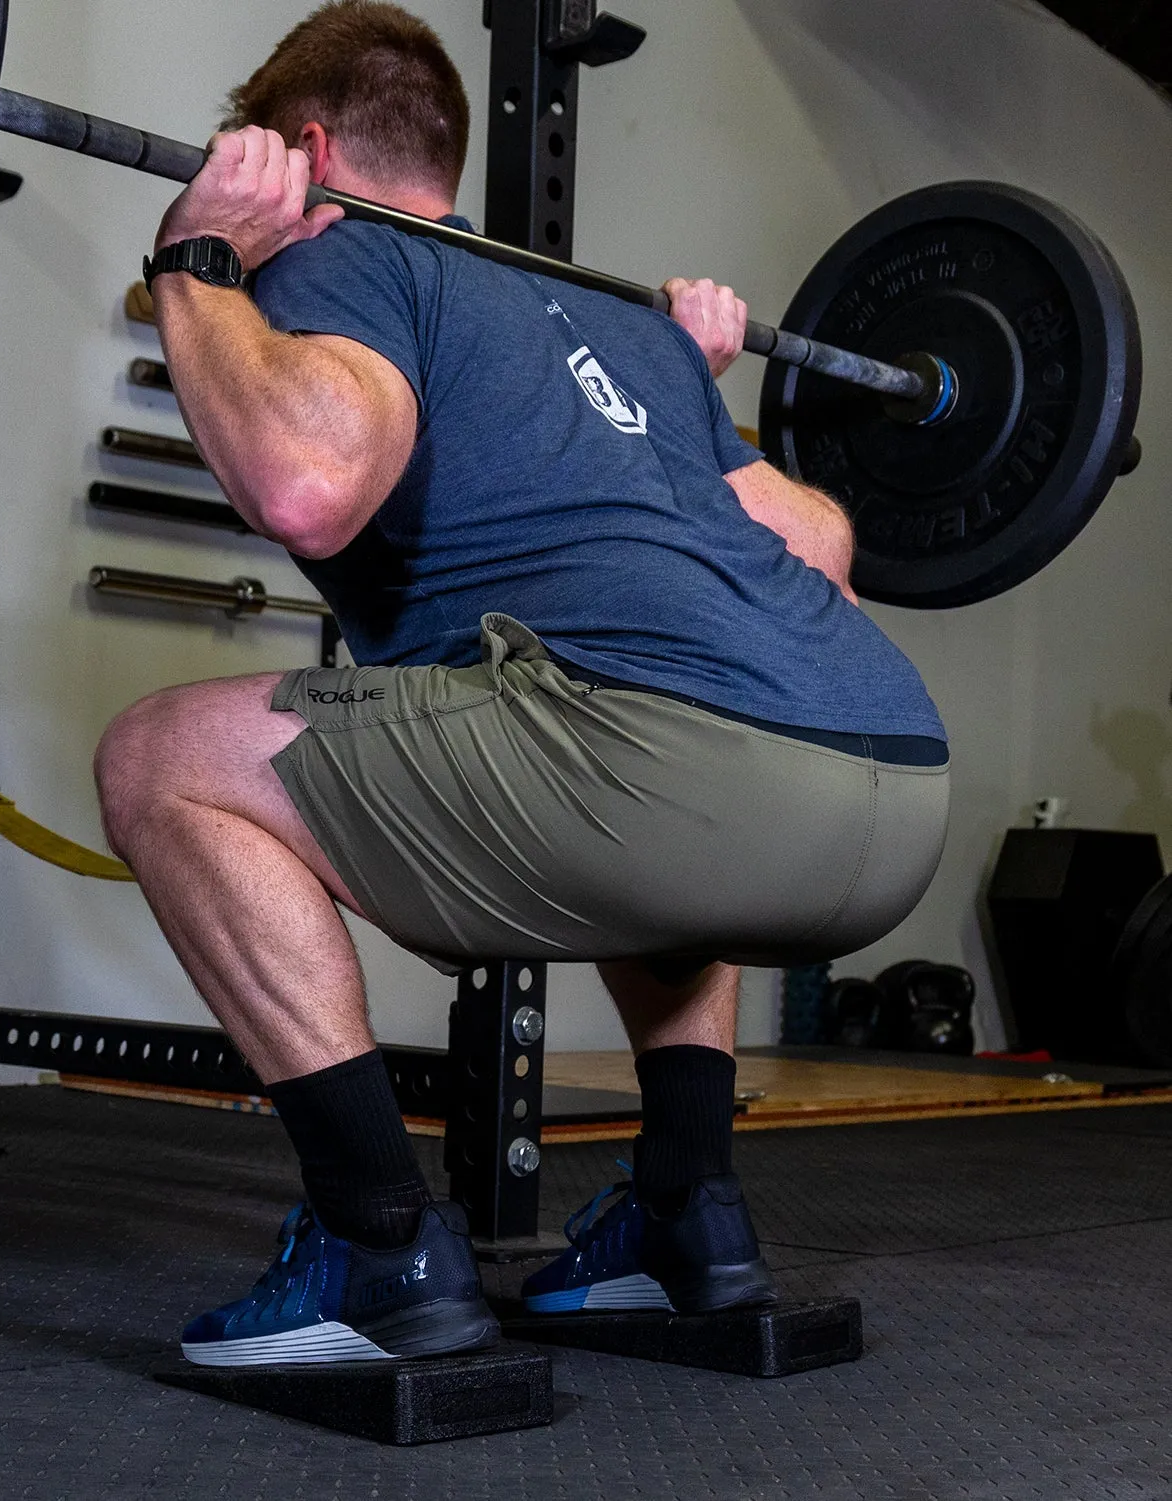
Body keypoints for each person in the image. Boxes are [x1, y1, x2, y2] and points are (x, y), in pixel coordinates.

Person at [93, 0, 950, 1368]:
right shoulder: (616, 330)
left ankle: (376, 1244)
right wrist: (689, 394)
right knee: (641, 740)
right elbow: (822, 546)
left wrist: (199, 254)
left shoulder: (341, 253)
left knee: (156, 758)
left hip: (688, 774)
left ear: (303, 151)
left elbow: (306, 487)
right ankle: (689, 1217)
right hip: (892, 784)